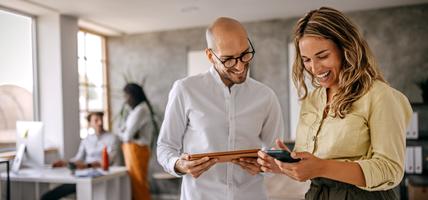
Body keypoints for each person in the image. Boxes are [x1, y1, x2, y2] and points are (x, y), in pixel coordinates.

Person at [257, 7, 413, 200]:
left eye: (322, 56)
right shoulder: (312, 100)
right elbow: (312, 165)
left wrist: (322, 167)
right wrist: (285, 166)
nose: (314, 68)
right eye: (306, 60)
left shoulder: (380, 96)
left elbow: (390, 170)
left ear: (346, 48)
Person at [157, 17, 284, 200]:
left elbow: (275, 153)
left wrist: (266, 167)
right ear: (210, 56)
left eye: (245, 54)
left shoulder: (266, 96)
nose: (240, 66)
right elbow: (165, 147)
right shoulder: (185, 90)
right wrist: (178, 164)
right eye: (228, 60)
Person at [41, 112, 121, 200]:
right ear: (90, 123)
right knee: (47, 197)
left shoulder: (113, 138)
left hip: (103, 177)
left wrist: (87, 165)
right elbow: (78, 158)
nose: (100, 123)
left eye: (101, 120)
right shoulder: (86, 140)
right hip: (85, 176)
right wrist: (65, 162)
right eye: (96, 120)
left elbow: (108, 161)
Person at [119, 83, 157, 200]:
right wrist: (125, 131)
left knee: (138, 184)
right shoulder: (136, 110)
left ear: (133, 95)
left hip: (137, 150)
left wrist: (122, 132)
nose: (125, 100)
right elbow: (127, 132)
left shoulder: (141, 110)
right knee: (136, 184)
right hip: (134, 150)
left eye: (126, 96)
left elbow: (126, 135)